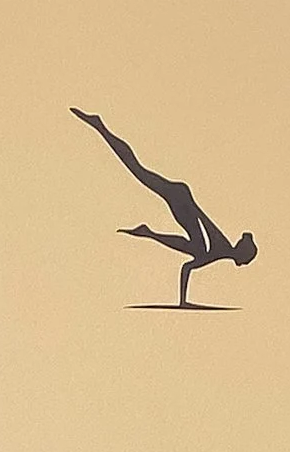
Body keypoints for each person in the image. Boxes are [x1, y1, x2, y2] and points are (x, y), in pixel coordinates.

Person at [70, 108, 256, 307]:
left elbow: (189, 254)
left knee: (140, 171)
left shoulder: (218, 250)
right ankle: (100, 127)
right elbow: (190, 258)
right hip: (182, 201)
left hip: (183, 200)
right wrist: (183, 302)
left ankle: (148, 233)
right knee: (138, 171)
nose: (243, 264)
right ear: (241, 257)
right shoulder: (219, 248)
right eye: (246, 260)